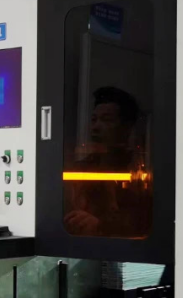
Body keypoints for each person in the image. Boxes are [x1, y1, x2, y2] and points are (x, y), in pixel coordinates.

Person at [64, 86, 152, 237]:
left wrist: (101, 226)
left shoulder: (139, 171)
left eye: (106, 120)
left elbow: (142, 222)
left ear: (126, 127)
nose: (96, 127)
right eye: (94, 120)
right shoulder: (80, 170)